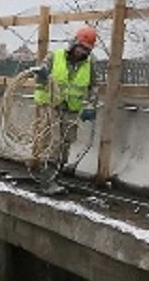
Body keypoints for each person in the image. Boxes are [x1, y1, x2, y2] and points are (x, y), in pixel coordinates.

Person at [30, 25, 99, 175]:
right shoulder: (55, 56)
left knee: (66, 140)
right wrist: (41, 74)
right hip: (51, 104)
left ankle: (58, 170)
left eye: (87, 50)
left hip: (72, 108)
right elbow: (39, 75)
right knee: (53, 140)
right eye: (81, 47)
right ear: (74, 43)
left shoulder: (90, 63)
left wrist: (91, 105)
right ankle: (47, 175)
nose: (82, 52)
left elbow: (94, 85)